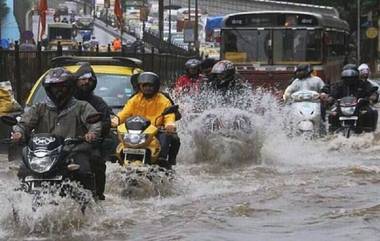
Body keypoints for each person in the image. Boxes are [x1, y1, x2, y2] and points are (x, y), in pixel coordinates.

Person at [11, 67, 101, 194]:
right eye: (54, 87)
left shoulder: (82, 106)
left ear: (70, 88)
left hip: (72, 152)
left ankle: (89, 202)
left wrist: (92, 133)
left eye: (62, 86)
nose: (58, 90)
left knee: (83, 171)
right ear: (48, 88)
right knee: (23, 172)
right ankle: (21, 202)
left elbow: (95, 123)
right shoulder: (39, 108)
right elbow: (24, 123)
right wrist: (18, 132)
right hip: (43, 154)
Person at [112, 72, 180, 169]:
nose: (148, 88)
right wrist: (115, 120)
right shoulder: (134, 99)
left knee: (173, 138)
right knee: (115, 136)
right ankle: (117, 161)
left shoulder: (164, 100)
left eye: (150, 85)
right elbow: (124, 113)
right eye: (145, 85)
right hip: (136, 132)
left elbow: (169, 116)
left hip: (156, 132)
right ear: (140, 86)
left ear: (156, 86)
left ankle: (164, 162)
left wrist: (169, 125)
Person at [73, 62, 114, 200]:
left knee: (97, 161)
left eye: (90, 79)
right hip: (63, 142)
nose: (86, 82)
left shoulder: (98, 103)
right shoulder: (66, 100)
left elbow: (105, 123)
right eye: (83, 79)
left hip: (88, 144)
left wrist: (92, 134)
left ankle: (97, 195)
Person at [328, 65, 378, 132]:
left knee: (370, 112)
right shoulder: (339, 85)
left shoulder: (363, 84)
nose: (349, 79)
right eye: (347, 77)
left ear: (356, 76)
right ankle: (333, 130)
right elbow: (333, 93)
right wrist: (330, 98)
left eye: (352, 77)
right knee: (332, 114)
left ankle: (369, 131)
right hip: (342, 107)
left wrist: (372, 96)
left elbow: (372, 91)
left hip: (360, 106)